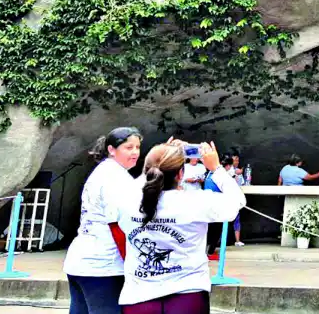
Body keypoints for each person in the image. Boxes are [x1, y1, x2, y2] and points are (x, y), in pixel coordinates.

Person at [117, 140, 245, 314]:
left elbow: (142, 181)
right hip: (187, 294)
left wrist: (160, 155)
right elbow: (237, 201)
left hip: (139, 296)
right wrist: (216, 168)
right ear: (181, 174)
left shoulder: (125, 199)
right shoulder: (196, 201)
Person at [63, 127, 142, 314]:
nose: (135, 152)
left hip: (82, 261)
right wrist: (133, 264)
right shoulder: (114, 178)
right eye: (128, 147)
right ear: (111, 150)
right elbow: (117, 227)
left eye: (138, 147)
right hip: (102, 266)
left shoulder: (107, 171)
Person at [204, 156, 235, 262]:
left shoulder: (210, 173)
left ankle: (207, 250)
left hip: (208, 204)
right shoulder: (222, 175)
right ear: (228, 166)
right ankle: (210, 251)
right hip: (216, 205)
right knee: (216, 230)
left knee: (208, 229)